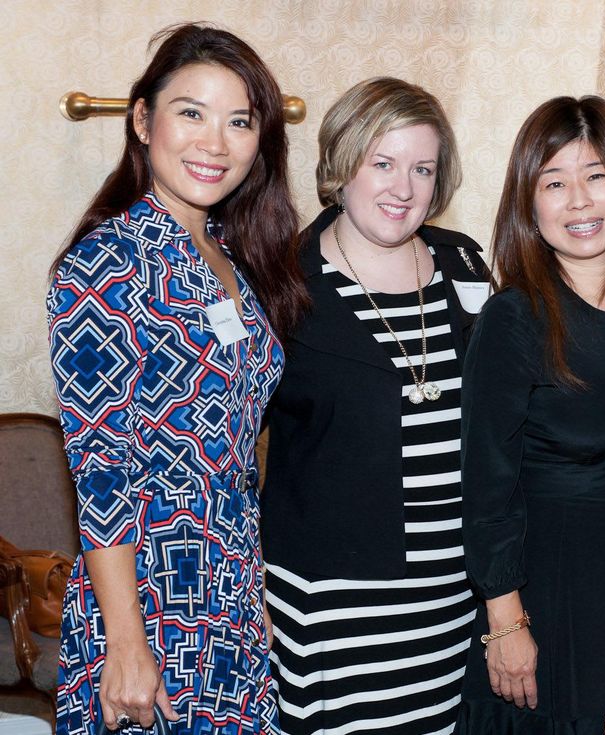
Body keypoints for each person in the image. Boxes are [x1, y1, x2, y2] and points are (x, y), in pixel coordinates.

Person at [47, 23, 304, 735]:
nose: (215, 142)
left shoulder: (227, 254)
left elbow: (236, 446)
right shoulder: (105, 267)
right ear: (142, 119)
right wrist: (125, 642)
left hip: (224, 586)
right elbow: (100, 471)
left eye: (239, 121)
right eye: (191, 112)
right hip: (147, 594)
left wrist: (248, 585)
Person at [260, 76, 489, 735]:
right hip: (331, 603)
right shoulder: (285, 284)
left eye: (423, 168)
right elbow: (230, 452)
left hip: (447, 600)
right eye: (382, 163)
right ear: (342, 164)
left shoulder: (466, 267)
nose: (404, 188)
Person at [455, 96, 605, 734]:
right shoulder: (516, 317)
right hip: (550, 591)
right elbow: (485, 486)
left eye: (596, 176)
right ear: (528, 204)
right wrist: (505, 622)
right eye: (554, 182)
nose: (578, 201)